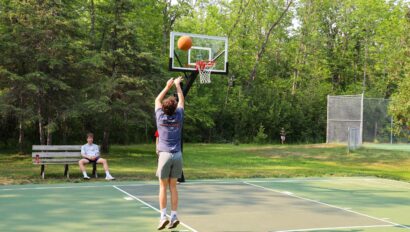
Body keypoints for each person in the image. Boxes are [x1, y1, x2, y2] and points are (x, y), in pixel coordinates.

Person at [155, 77, 184, 230]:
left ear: (164, 108)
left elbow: (157, 99)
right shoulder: (179, 115)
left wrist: (167, 86)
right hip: (177, 155)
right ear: (174, 108)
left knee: (162, 187)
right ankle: (174, 216)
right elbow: (181, 100)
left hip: (164, 155)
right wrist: (178, 86)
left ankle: (162, 217)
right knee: (173, 187)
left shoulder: (160, 117)